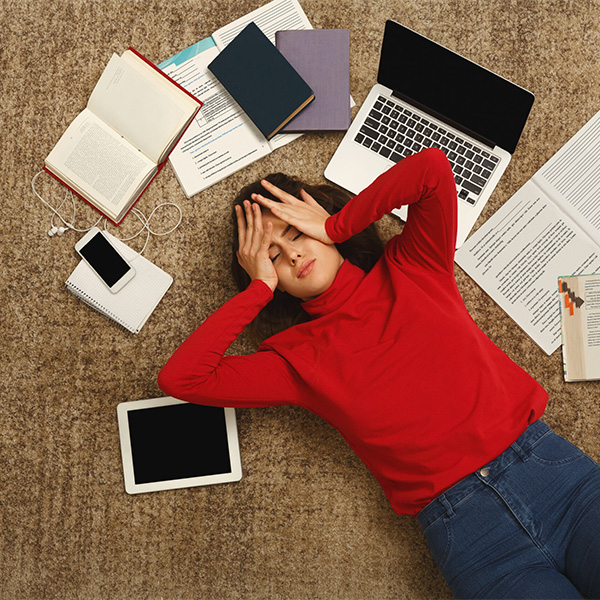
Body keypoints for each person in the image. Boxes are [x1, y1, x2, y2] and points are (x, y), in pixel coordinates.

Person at [158, 148, 600, 599]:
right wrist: (257, 290)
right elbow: (183, 379)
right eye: (272, 256)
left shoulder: (413, 262)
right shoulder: (291, 361)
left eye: (296, 232)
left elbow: (431, 170)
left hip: (556, 480)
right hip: (470, 534)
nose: (292, 253)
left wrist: (334, 224)